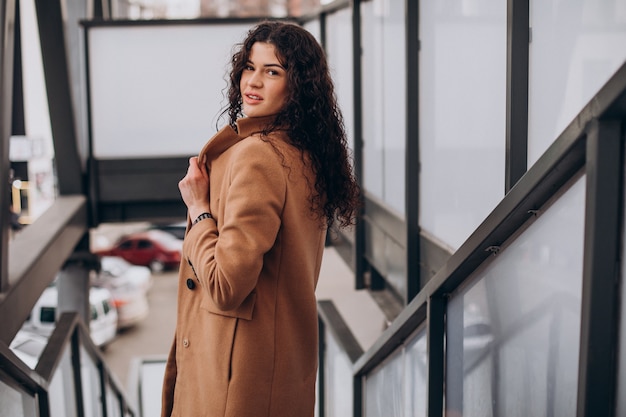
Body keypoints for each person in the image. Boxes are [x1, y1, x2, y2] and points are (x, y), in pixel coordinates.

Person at [161, 21, 360, 417]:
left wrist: (198, 207)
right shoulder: (305, 153)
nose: (253, 81)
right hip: (273, 368)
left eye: (273, 71)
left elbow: (226, 285)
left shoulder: (257, 156)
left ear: (298, 84)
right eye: (250, 67)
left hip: (233, 380)